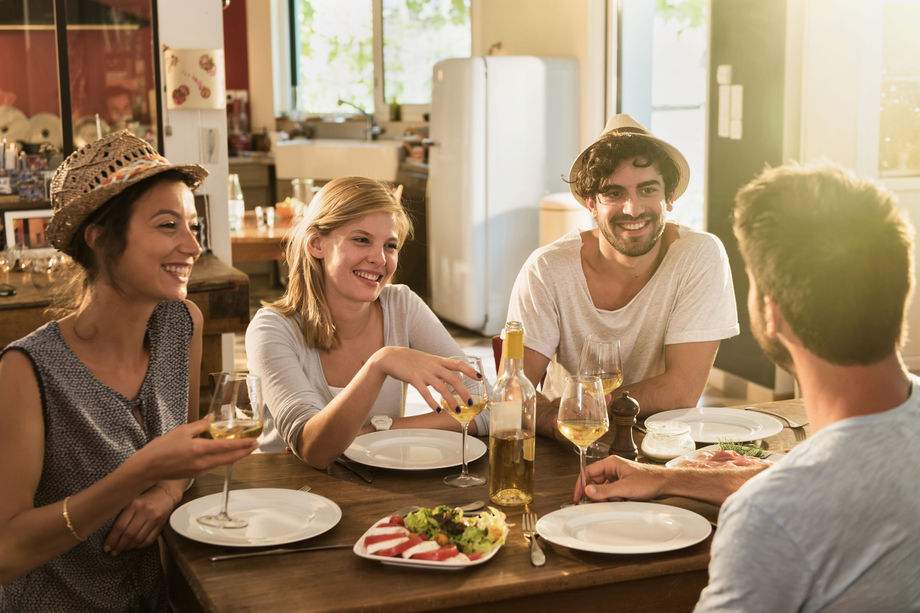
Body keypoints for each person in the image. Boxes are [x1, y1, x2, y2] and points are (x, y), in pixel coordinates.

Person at [577, 163, 920, 611]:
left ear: (771, 313)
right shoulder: (795, 492)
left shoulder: (768, 518)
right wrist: (665, 478)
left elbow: (793, 497)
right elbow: (822, 481)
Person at [0, 131, 258, 612]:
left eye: (192, 225)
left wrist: (165, 489)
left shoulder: (181, 326)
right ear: (99, 238)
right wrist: (142, 471)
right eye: (167, 226)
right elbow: (7, 554)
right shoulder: (26, 369)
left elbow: (182, 456)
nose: (192, 246)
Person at [506, 114, 739, 437]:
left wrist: (590, 408)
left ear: (669, 197)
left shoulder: (699, 255)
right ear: (591, 204)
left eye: (647, 189)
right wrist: (567, 419)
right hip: (568, 439)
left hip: (660, 441)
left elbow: (682, 390)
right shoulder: (546, 269)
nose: (633, 209)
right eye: (614, 194)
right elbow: (514, 393)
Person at [245, 176, 486, 469]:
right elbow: (313, 449)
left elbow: (485, 407)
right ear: (317, 244)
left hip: (375, 488)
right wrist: (381, 363)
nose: (379, 259)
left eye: (390, 246)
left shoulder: (402, 305)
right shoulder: (271, 329)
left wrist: (380, 429)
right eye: (361, 240)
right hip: (289, 498)